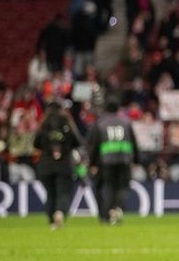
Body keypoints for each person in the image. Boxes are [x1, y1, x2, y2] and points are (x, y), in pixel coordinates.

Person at [88, 97, 139, 226]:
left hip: (106, 161)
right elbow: (134, 143)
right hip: (124, 159)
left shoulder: (100, 123)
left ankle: (107, 213)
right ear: (118, 108)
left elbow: (94, 145)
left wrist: (92, 163)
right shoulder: (126, 122)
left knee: (108, 187)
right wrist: (136, 160)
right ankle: (116, 208)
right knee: (122, 187)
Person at [33, 99, 83, 229]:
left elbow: (35, 143)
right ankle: (60, 213)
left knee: (51, 193)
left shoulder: (43, 124)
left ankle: (51, 220)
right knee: (64, 192)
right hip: (64, 164)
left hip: (46, 164)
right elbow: (78, 141)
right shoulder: (67, 122)